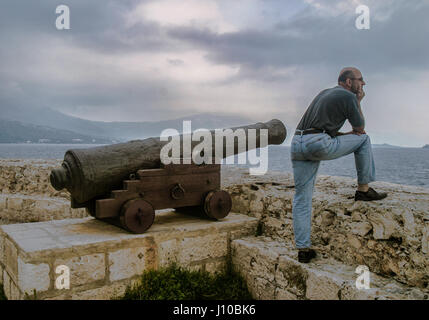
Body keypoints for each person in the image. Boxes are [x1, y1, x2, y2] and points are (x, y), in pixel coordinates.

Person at [290, 67, 387, 263]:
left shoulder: (325, 93)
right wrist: (358, 101)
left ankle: (303, 250)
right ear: (349, 82)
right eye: (360, 79)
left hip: (297, 143)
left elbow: (318, 128)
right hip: (317, 143)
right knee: (364, 140)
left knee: (302, 198)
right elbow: (359, 129)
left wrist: (343, 136)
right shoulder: (348, 96)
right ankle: (363, 189)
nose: (364, 83)